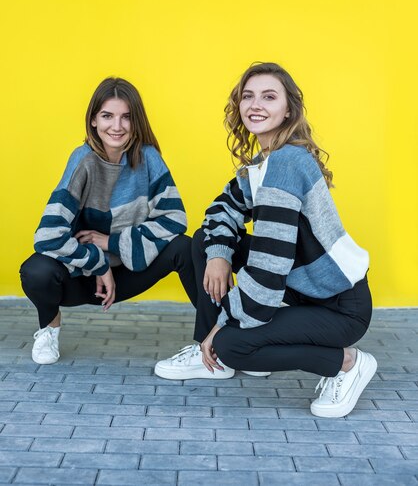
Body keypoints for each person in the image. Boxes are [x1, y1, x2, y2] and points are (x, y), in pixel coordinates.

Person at [155, 62, 377, 418]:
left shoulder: (286, 164)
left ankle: (348, 363)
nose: (255, 105)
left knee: (232, 344)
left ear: (288, 109)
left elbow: (270, 269)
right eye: (248, 96)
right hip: (303, 290)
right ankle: (209, 354)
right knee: (203, 242)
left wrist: (221, 324)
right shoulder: (261, 164)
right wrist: (219, 256)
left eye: (269, 97)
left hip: (339, 308)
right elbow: (220, 210)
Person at [20, 77, 196, 365]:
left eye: (126, 117)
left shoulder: (149, 158)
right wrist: (98, 262)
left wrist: (112, 242)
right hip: (82, 276)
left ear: (136, 122)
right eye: (107, 116)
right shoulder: (83, 160)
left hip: (129, 270)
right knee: (35, 270)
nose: (117, 126)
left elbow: (175, 220)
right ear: (93, 121)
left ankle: (216, 341)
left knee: (187, 248)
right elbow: (47, 236)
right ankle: (49, 330)